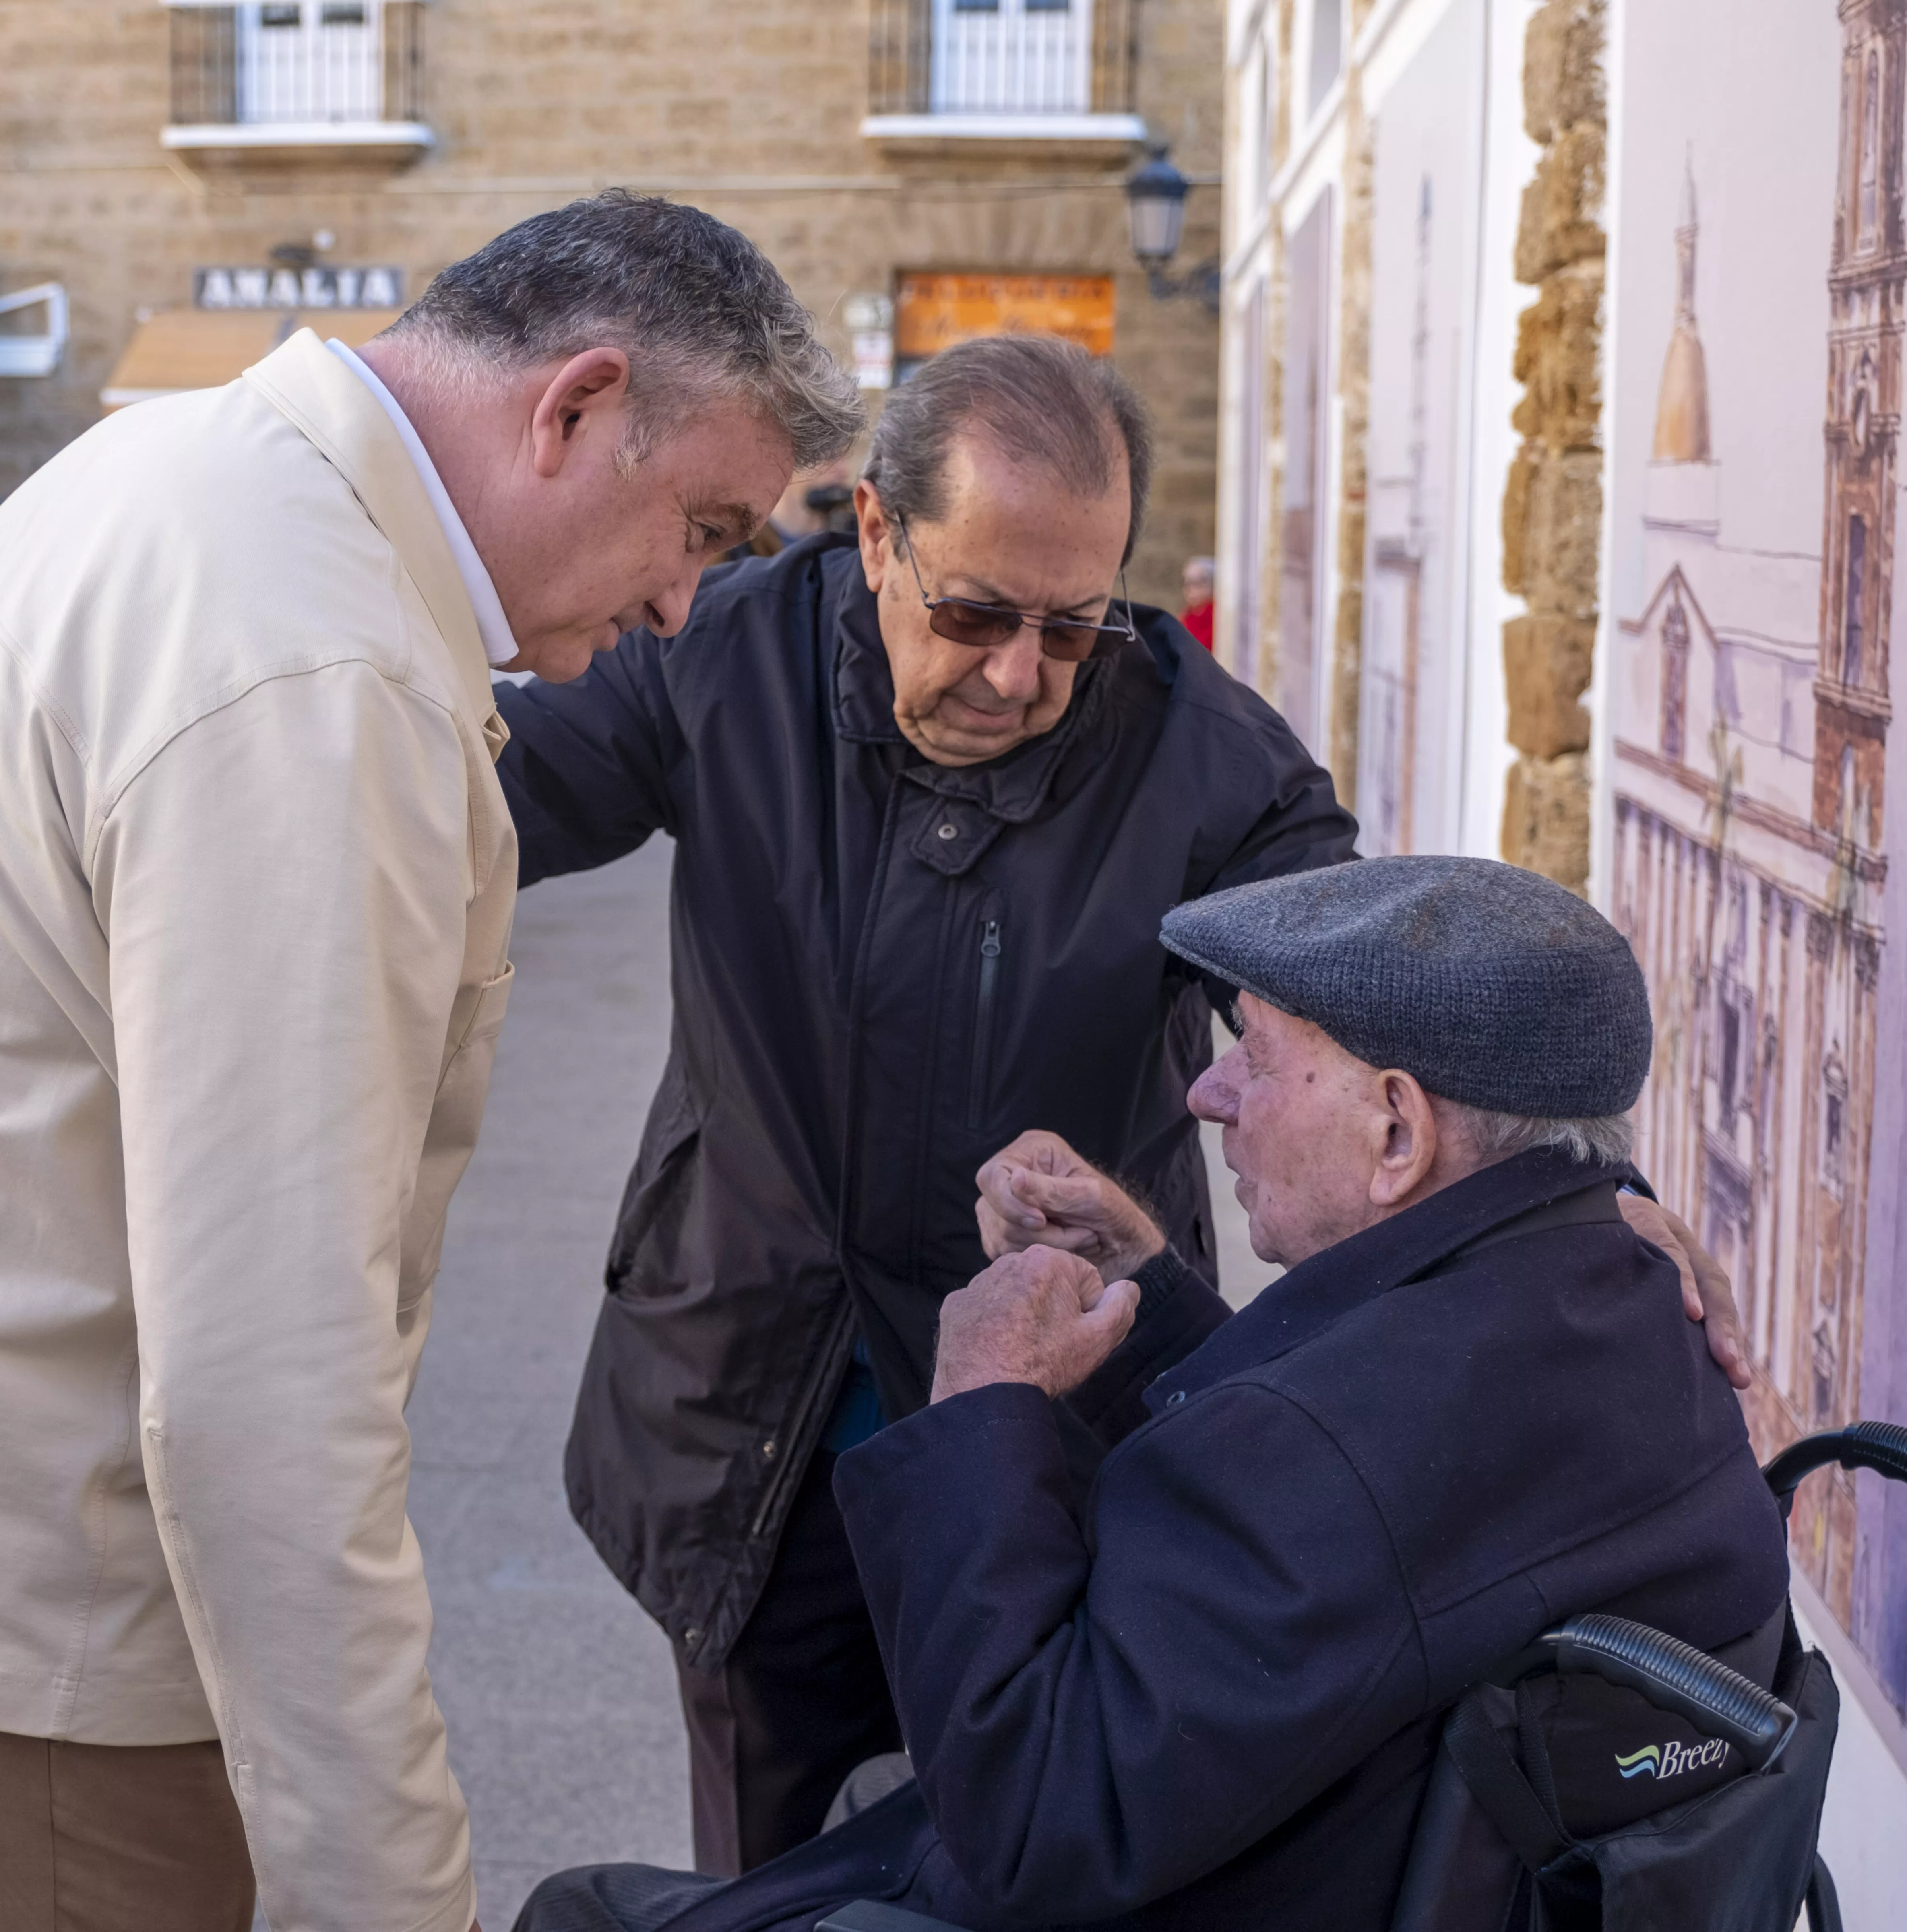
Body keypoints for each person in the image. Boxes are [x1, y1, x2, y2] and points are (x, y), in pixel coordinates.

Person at [0, 192, 858, 1932]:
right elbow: (259, 1383)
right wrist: (389, 1883)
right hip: (26, 1615)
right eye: (702, 528)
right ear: (572, 406)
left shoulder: (175, 466)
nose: (681, 607)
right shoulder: (316, 667)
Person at [514, 856, 1793, 1932]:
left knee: (584, 1908)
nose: (1208, 1094)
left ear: (1398, 1132)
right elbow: (1343, 1539)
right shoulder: (1614, 1293)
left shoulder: (1354, 1436)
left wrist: (981, 1402)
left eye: (1255, 1051)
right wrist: (1148, 1300)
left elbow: (1031, 1816)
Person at [492, 332, 1360, 1874]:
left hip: (1060, 1428)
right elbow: (455, 803)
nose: (1018, 674)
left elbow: (1358, 1029)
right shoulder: (724, 654)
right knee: (772, 1878)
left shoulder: (1201, 754)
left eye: (1070, 628)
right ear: (875, 532)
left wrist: (1550, 1214)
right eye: (970, 613)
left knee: (1049, 1859)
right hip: (746, 1410)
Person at [1180, 553, 1216, 650]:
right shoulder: (1187, 616)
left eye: (1199, 583)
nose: (1191, 590)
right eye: (1188, 583)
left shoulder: (1218, 617)